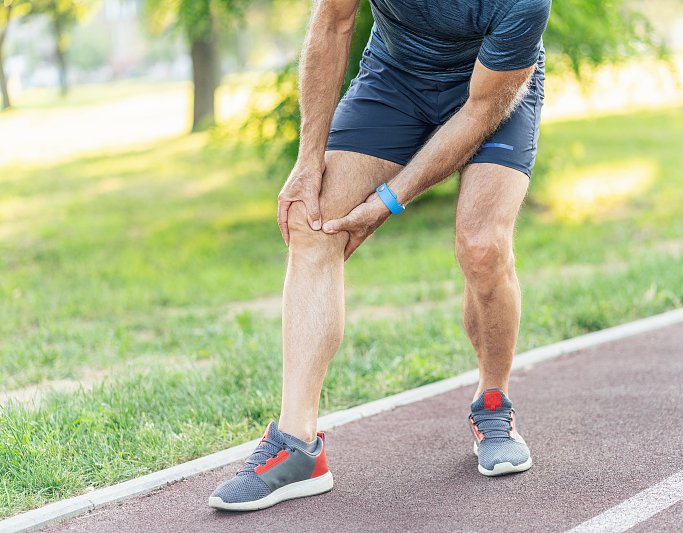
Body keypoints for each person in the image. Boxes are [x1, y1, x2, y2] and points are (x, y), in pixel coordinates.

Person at [208, 0, 551, 511]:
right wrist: (308, 162)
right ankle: (296, 447)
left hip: (494, 94)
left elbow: (480, 110)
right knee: (313, 221)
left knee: (482, 245)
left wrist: (390, 199)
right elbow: (334, 20)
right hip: (395, 78)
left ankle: (493, 400)